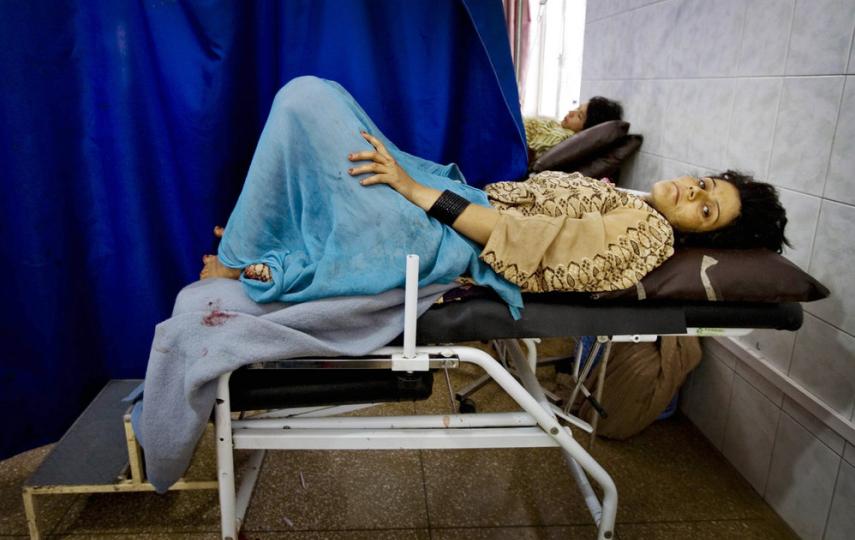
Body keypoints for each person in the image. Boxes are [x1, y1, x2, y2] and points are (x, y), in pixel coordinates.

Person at [200, 77, 787, 304]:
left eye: (706, 211)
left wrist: (417, 192)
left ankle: (241, 254)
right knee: (325, 111)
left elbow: (523, 243)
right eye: (705, 184)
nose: (691, 192)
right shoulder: (634, 206)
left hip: (449, 239)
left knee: (308, 101)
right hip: (452, 213)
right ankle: (260, 236)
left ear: (699, 233)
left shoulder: (647, 235)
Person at [524, 96, 624, 162]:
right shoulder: (554, 125)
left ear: (586, 130)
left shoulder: (560, 139)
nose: (571, 112)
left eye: (579, 116)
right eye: (577, 108)